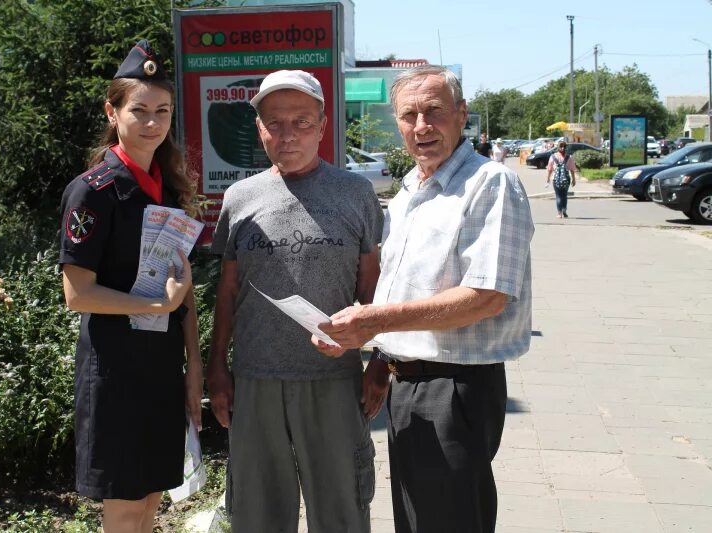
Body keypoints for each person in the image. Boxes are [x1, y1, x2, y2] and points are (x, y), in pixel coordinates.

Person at [316, 65, 535, 533]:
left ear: (461, 116)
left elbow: (487, 296)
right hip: (406, 384)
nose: (421, 126)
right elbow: (405, 283)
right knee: (417, 521)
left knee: (450, 521)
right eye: (408, 114)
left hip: (455, 388)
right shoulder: (412, 189)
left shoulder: (489, 183)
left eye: (433, 112)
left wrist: (373, 322)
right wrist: (382, 359)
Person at [206, 69, 385, 533]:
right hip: (255, 382)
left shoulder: (356, 193)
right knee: (257, 515)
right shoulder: (239, 198)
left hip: (333, 381)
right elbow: (227, 291)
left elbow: (373, 288)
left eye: (302, 122)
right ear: (260, 128)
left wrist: (380, 362)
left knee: (341, 513)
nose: (288, 135)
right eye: (274, 122)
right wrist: (217, 368)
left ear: (323, 125)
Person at [59, 40, 203, 533]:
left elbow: (183, 293)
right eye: (139, 110)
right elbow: (77, 294)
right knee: (123, 506)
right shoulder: (93, 190)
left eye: (162, 111)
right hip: (116, 370)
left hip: (162, 367)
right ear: (112, 111)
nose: (152, 123)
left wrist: (195, 367)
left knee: (150, 500)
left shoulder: (169, 186)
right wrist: (155, 301)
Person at [546, 141, 577, 218]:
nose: (562, 148)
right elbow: (572, 169)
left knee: (558, 196)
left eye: (563, 147)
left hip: (556, 179)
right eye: (562, 147)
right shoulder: (569, 157)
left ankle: (559, 213)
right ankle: (564, 210)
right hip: (566, 179)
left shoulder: (553, 157)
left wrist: (548, 179)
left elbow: (549, 169)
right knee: (564, 195)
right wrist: (573, 179)